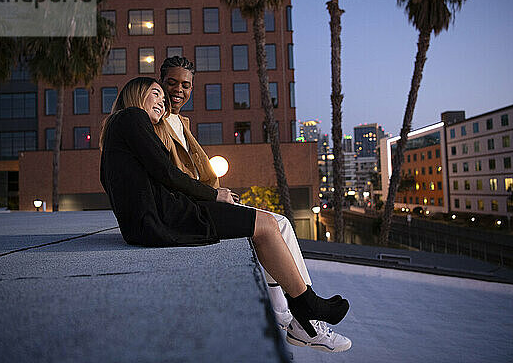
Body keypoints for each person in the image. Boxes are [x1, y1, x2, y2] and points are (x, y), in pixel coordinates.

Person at [99, 77, 351, 350]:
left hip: (157, 218)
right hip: (163, 220)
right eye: (156, 93)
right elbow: (166, 172)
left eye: (162, 97)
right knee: (266, 225)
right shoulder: (132, 118)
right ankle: (307, 306)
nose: (162, 101)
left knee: (266, 223)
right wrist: (213, 195)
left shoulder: (117, 127)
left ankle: (303, 308)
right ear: (136, 94)